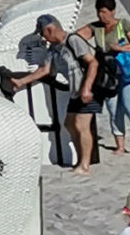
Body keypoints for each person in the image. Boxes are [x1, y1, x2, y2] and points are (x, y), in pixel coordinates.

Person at [11, 15, 97, 171]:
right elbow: (44, 70)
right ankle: (79, 162)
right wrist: (21, 82)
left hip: (88, 89)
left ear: (50, 29)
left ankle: (85, 165)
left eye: (43, 33)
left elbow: (93, 62)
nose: (43, 37)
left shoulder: (73, 40)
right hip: (75, 91)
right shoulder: (53, 49)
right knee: (70, 124)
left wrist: (87, 88)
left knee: (81, 125)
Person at [83, 0, 130, 153]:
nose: (102, 15)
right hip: (109, 75)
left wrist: (121, 48)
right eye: (99, 12)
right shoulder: (96, 27)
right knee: (114, 110)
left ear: (113, 11)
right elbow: (77, 37)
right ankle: (120, 145)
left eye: (105, 12)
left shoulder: (124, 24)